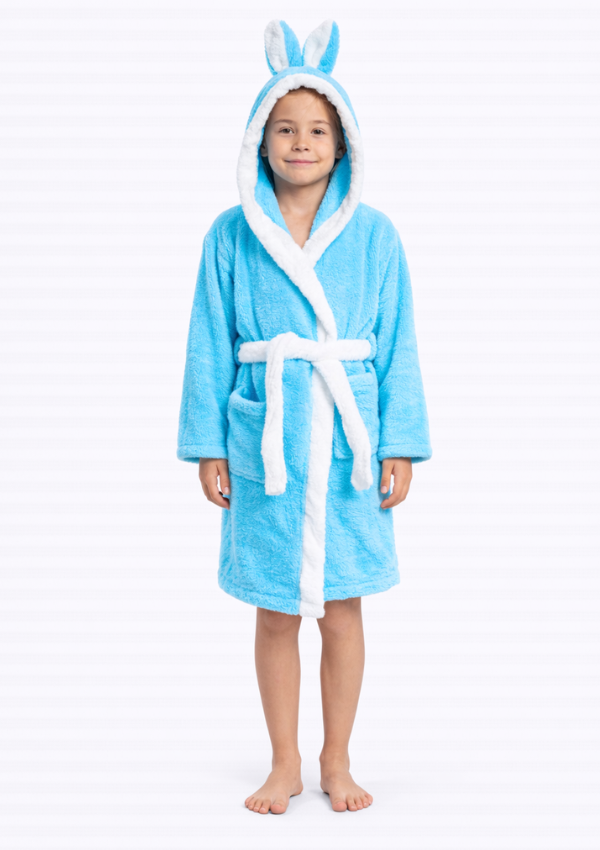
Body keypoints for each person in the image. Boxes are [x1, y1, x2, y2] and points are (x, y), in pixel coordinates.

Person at [177, 19, 432, 815]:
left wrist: (399, 443)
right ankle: (284, 760)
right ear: (259, 138)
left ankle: (337, 758)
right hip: (268, 436)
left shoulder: (376, 235)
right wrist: (207, 444)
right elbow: (208, 341)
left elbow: (398, 342)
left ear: (343, 140)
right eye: (284, 128)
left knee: (345, 606)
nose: (300, 143)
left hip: (348, 437)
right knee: (275, 609)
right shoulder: (230, 235)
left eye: (318, 129)